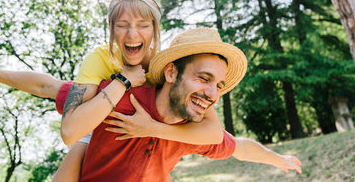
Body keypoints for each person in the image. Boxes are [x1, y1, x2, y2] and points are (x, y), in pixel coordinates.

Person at [0, 0, 224, 180]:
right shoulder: (100, 60)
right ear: (111, 30)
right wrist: (122, 81)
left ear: (154, 30)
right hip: (93, 121)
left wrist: (150, 128)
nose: (132, 34)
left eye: (143, 25)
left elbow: (213, 131)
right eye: (122, 25)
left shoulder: (166, 69)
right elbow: (53, 97)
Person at [58, 28, 302, 181]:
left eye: (218, 85)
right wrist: (16, 78)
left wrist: (277, 159)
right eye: (204, 78)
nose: (212, 94)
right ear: (172, 72)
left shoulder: (192, 132)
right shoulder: (118, 97)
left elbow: (238, 146)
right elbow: (52, 88)